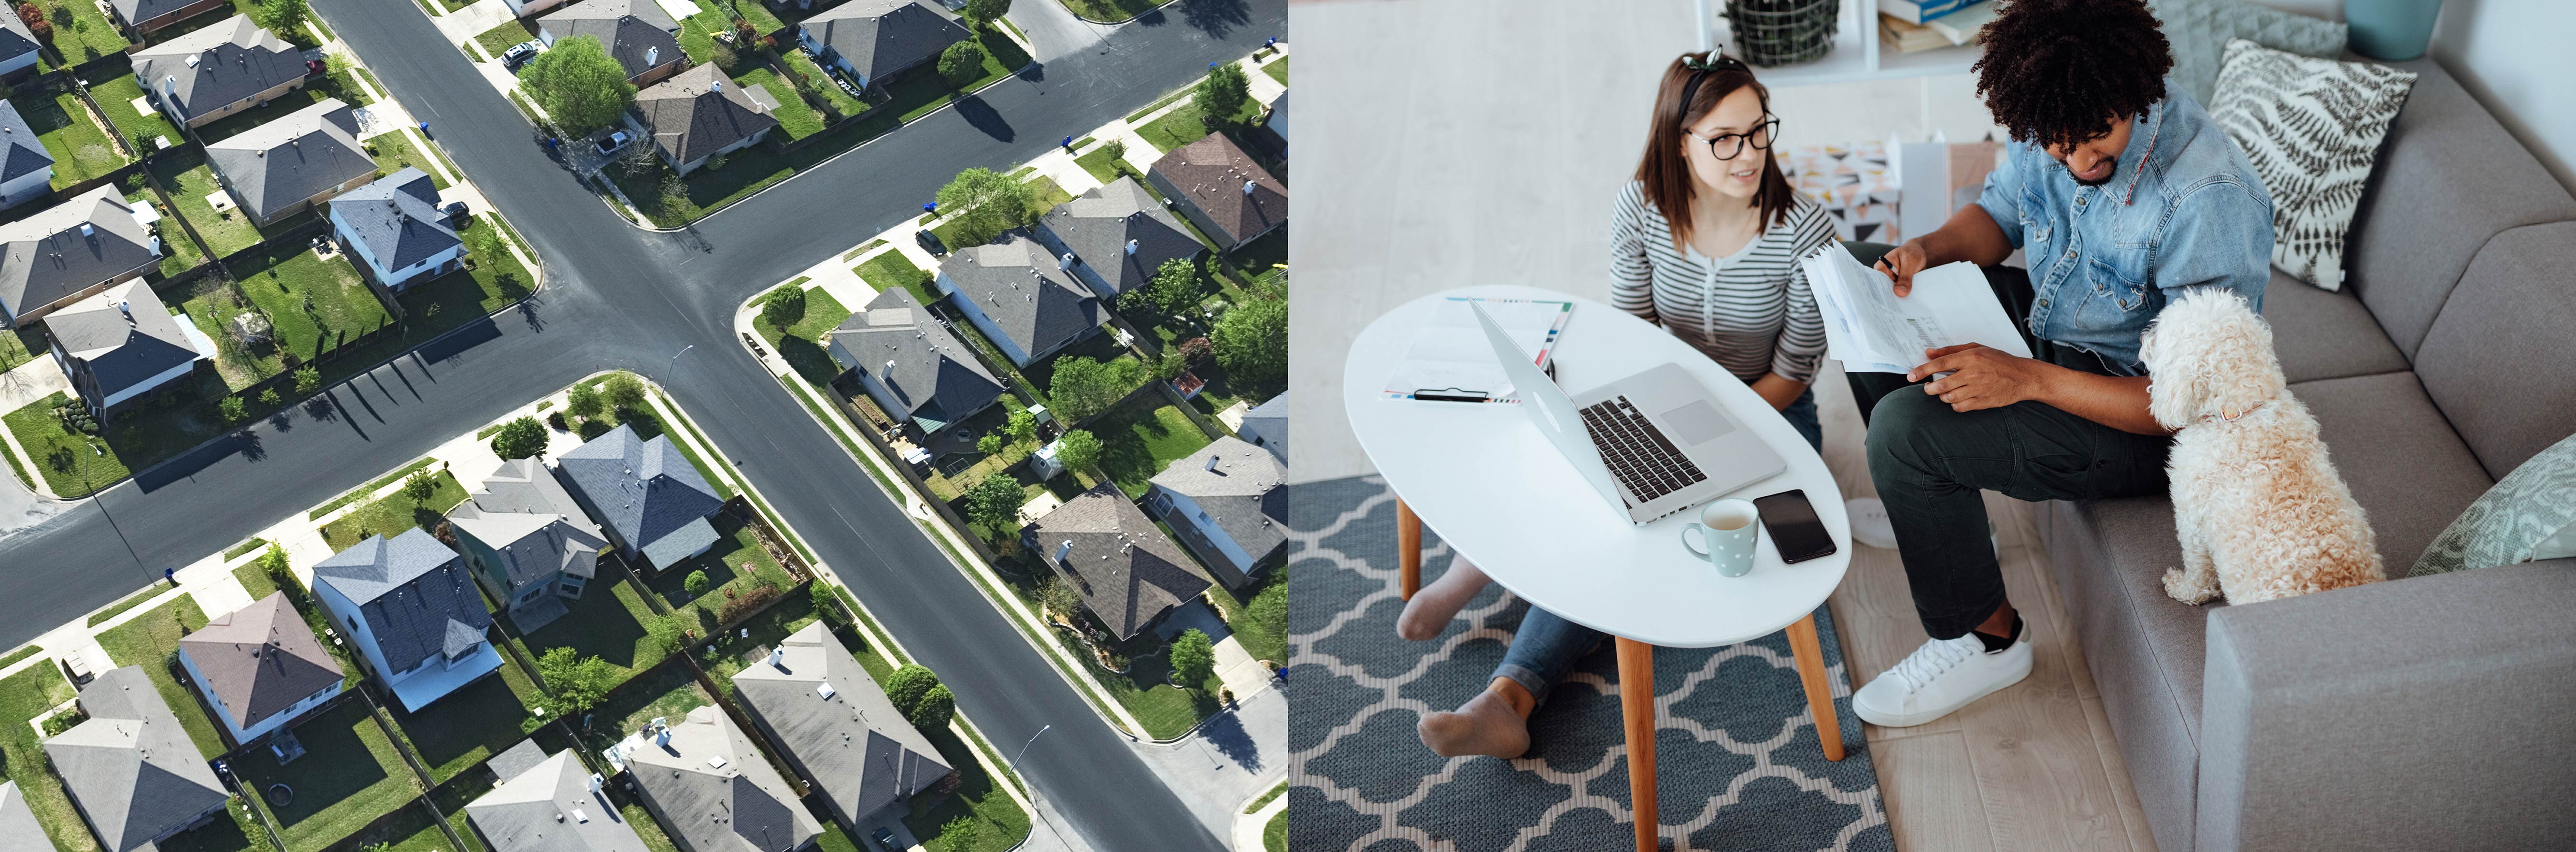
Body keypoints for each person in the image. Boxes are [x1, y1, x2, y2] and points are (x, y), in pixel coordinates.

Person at [1397, 51, 1839, 758]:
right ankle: (1470, 570)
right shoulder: (1640, 206)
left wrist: (1704, 439)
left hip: (1771, 416)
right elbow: (1629, 330)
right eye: (1725, 138)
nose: (1749, 153)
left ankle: (1507, 697)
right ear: (1679, 141)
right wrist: (1653, 413)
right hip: (1664, 391)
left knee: (1633, 524)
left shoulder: (1805, 232)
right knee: (1571, 453)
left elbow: (1794, 371)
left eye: (1759, 131)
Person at [1844, 0, 2273, 728]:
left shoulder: (2205, 197)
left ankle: (1988, 641)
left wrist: (2026, 380)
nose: (2077, 161)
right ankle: (1949, 523)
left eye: (2095, 138)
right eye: (2056, 145)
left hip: (2143, 420)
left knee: (1901, 431)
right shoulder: (2053, 109)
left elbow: (2194, 401)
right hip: (2057, 334)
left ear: (2135, 91)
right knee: (1866, 275)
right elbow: (1998, 219)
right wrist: (1925, 249)